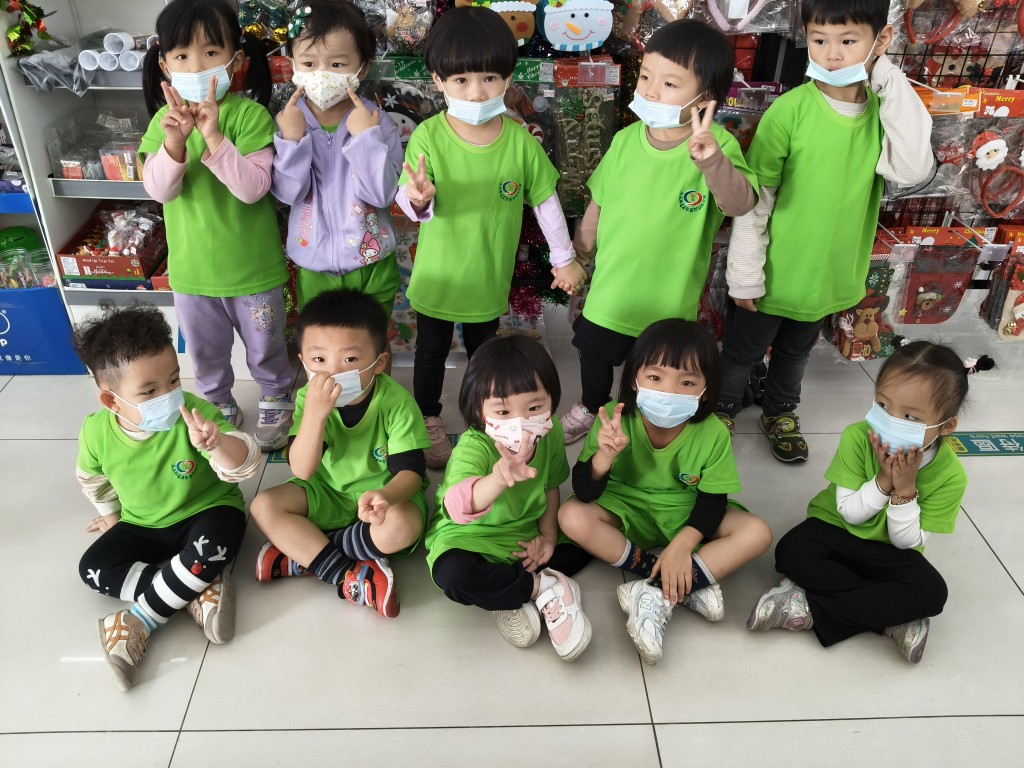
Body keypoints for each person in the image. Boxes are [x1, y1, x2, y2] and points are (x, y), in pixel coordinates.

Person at [718, 0, 934, 462]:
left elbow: (913, 168)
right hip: (771, 276)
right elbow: (756, 202)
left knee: (796, 353)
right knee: (741, 352)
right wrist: (745, 274)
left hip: (827, 278)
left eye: (848, 41)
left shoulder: (883, 115)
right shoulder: (789, 111)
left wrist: (886, 76)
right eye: (819, 40)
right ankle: (721, 411)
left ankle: (780, 411)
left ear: (881, 40)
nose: (832, 54)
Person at [395, 6, 587, 469]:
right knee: (430, 354)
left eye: (488, 78)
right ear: (438, 80)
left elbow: (545, 201)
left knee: (485, 360)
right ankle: (428, 418)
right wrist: (417, 199)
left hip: (488, 278)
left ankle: (486, 424)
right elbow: (412, 200)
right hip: (439, 278)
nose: (476, 91)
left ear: (508, 78)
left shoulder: (519, 142)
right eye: (461, 80)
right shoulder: (428, 136)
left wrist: (564, 258)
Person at [559, 20, 757, 445]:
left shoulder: (717, 146)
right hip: (612, 291)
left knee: (653, 370)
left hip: (670, 302)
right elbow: (598, 203)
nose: (649, 91)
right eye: (646, 76)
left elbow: (740, 204)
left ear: (705, 99)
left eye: (669, 83)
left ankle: (635, 421)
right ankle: (592, 407)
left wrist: (711, 161)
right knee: (593, 353)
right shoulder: (626, 140)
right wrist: (579, 256)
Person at [559, 320, 773, 665]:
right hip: (624, 508)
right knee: (571, 516)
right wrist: (604, 457)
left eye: (687, 382)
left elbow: (712, 501)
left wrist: (684, 545)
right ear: (634, 379)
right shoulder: (613, 418)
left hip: (686, 513)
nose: (669, 392)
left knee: (757, 532)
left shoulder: (713, 432)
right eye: (656, 377)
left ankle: (656, 591)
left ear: (706, 390)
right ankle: (676, 581)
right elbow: (584, 492)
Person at [72, 302, 261, 691]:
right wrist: (111, 516)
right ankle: (195, 589)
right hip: (142, 523)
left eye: (174, 380)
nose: (170, 395)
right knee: (92, 567)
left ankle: (137, 620)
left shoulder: (195, 413)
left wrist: (217, 444)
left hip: (206, 510)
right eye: (150, 391)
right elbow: (93, 478)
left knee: (218, 541)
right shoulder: (95, 431)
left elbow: (244, 464)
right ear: (112, 401)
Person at [747, 342, 968, 664]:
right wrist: (884, 481)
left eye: (910, 416)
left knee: (932, 593)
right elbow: (850, 514)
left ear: (946, 426)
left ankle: (806, 607)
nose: (890, 420)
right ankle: (891, 616)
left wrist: (905, 491)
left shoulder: (951, 476)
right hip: (835, 528)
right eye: (882, 405)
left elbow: (906, 542)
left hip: (890, 550)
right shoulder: (858, 436)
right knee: (791, 552)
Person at [140, 0, 294, 451]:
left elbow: (253, 188)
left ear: (236, 59)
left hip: (254, 270)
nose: (196, 66)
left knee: (266, 345)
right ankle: (218, 402)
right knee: (204, 351)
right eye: (183, 55)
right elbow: (159, 190)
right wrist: (174, 143)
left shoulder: (249, 116)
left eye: (211, 52)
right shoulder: (162, 123)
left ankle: (276, 394)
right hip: (193, 274)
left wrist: (212, 137)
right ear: (165, 65)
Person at [249, 288, 430, 619]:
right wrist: (316, 415)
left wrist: (387, 496)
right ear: (303, 362)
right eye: (319, 360)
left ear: (379, 363)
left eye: (350, 360)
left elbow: (411, 472)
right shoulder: (307, 399)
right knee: (263, 506)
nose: (333, 372)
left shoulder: (397, 403)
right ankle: (346, 575)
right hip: (327, 491)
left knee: (402, 526)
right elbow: (302, 470)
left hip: (383, 496)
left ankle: (306, 555)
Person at [426, 335, 593, 661]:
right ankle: (542, 589)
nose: (521, 422)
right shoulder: (474, 446)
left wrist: (548, 538)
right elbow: (458, 507)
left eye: (535, 408)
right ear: (478, 409)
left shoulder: (552, 434)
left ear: (552, 400)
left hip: (524, 538)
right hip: (472, 539)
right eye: (503, 411)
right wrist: (498, 479)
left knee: (587, 539)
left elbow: (551, 487)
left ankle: (506, 593)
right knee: (452, 575)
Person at [272, 0, 404, 332]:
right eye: (309, 63)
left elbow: (383, 194)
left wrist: (365, 139)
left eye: (337, 63)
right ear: (292, 64)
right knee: (324, 346)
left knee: (372, 345)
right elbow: (287, 194)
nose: (322, 73)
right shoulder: (290, 122)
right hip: (313, 263)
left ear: (362, 68)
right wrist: (291, 141)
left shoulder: (377, 122)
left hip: (372, 263)